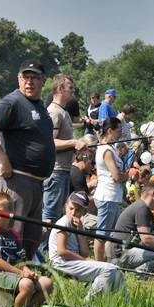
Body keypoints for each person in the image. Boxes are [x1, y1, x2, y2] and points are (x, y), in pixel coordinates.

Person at [0, 58, 56, 259]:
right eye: (25, 77)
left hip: (36, 186)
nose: (29, 82)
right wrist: (1, 157)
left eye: (34, 78)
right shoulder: (13, 101)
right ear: (19, 79)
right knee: (10, 240)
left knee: (30, 242)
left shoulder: (39, 106)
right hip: (16, 182)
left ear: (43, 80)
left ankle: (24, 281)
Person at [0, 192, 53, 307]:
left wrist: (27, 271)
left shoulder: (14, 235)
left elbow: (19, 260)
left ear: (10, 214)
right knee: (27, 285)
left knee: (47, 284)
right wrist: (20, 273)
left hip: (12, 272)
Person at [48, 191, 126, 300]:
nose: (74, 213)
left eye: (78, 210)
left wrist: (80, 231)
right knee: (108, 270)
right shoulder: (64, 223)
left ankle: (123, 301)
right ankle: (88, 302)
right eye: (71, 208)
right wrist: (85, 261)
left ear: (83, 212)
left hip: (72, 261)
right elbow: (62, 251)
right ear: (65, 207)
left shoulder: (78, 225)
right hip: (61, 262)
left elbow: (84, 252)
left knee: (117, 271)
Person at [42, 74, 88, 225]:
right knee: (50, 215)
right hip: (55, 171)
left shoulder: (63, 111)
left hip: (63, 170)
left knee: (57, 213)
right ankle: (44, 248)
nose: (73, 91)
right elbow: (49, 142)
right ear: (60, 89)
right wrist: (74, 142)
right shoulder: (54, 112)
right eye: (70, 88)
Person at [92, 117, 125, 261]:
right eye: (118, 131)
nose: (121, 134)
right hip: (108, 196)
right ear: (109, 130)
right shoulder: (106, 150)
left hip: (113, 196)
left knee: (111, 233)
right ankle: (99, 265)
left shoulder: (110, 148)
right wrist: (128, 175)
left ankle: (108, 260)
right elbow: (116, 176)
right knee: (102, 234)